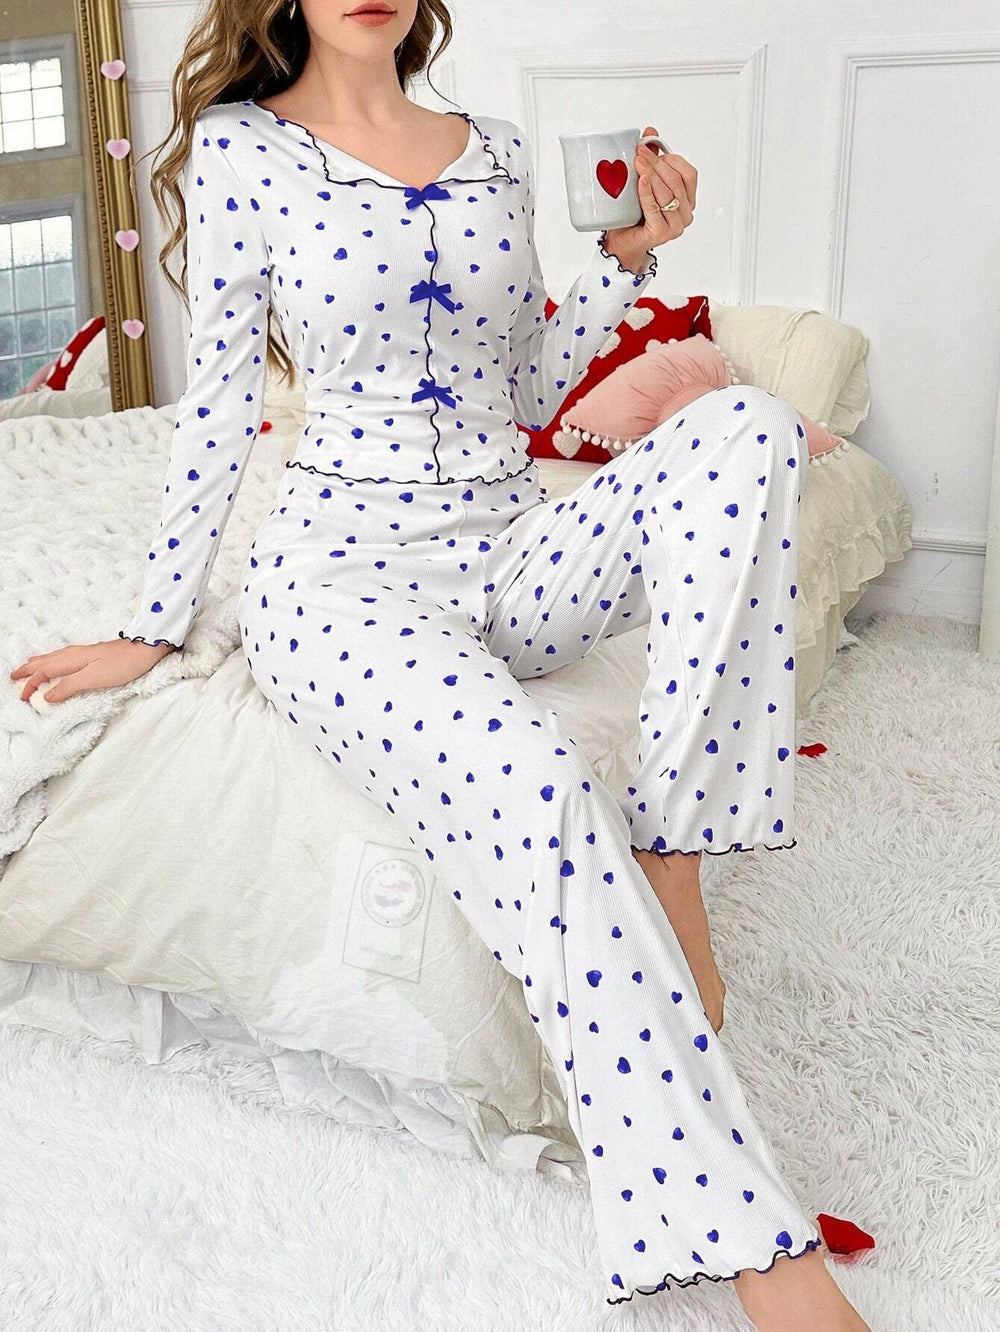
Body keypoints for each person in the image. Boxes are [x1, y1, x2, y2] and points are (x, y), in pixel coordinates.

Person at [10, 2, 871, 1326]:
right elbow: (220, 403)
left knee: (748, 428)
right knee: (539, 789)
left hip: (509, 549)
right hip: (341, 584)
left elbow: (521, 390)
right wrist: (156, 621)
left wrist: (626, 263)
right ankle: (764, 1258)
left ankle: (675, 846)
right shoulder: (242, 149)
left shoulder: (500, 148)